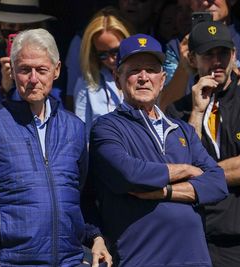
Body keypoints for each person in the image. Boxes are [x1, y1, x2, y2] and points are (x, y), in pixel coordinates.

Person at [88, 33, 228, 266]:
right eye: (134, 70)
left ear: (162, 80)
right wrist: (187, 169)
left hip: (194, 260)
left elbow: (217, 183)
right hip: (143, 259)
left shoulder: (182, 130)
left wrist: (165, 192)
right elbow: (130, 174)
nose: (144, 77)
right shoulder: (106, 127)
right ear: (117, 77)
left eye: (151, 70)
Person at [0, 28, 112, 267]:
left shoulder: (74, 127)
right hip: (13, 261)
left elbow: (82, 194)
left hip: (69, 260)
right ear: (12, 71)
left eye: (41, 70)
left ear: (57, 70)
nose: (33, 79)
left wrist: (96, 236)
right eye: (24, 70)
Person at [166, 21, 240, 267]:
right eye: (209, 54)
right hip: (196, 236)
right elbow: (178, 168)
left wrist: (203, 176)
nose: (217, 61)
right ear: (192, 59)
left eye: (223, 53)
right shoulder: (178, 111)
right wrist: (197, 112)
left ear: (234, 55)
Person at [0, 0, 63, 113]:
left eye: (25, 29)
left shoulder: (49, 67)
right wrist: (3, 89)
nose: (18, 38)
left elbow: (58, 112)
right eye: (10, 29)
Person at [74, 7, 134, 141]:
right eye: (102, 54)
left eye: (116, 51)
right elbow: (82, 136)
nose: (111, 59)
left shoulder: (146, 77)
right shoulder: (86, 83)